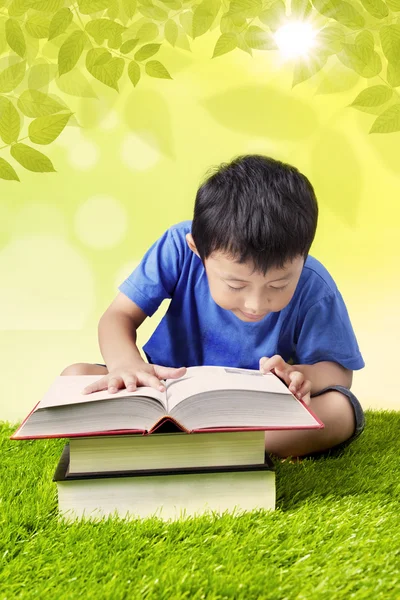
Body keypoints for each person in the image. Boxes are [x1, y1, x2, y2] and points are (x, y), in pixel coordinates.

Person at [61, 154, 365, 458]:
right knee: (75, 376)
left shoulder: (314, 285)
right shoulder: (178, 247)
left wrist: (299, 376)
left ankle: (194, 446)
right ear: (198, 250)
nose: (256, 304)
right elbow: (118, 316)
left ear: (304, 254)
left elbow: (339, 373)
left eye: (278, 285)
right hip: (166, 392)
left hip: (258, 411)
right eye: (235, 285)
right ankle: (218, 447)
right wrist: (126, 364)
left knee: (341, 410)